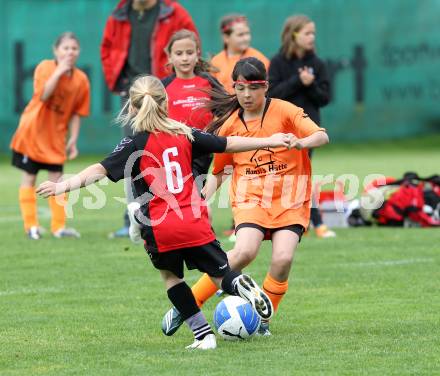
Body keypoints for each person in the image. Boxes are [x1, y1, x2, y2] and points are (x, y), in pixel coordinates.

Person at [36, 75, 294, 350]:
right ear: (166, 103)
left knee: (172, 279)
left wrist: (62, 185)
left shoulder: (134, 143)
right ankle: (237, 283)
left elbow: (98, 171)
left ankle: (203, 336)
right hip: (194, 221)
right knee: (220, 274)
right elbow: (228, 144)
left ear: (133, 108)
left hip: (161, 227)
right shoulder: (185, 133)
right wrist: (272, 140)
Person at [161, 57, 329, 337]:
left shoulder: (285, 111)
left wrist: (301, 142)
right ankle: (187, 305)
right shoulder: (228, 125)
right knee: (243, 252)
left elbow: (321, 136)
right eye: (240, 88)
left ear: (265, 87)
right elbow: (221, 170)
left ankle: (262, 323)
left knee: (283, 259)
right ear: (234, 89)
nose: (246, 95)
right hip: (251, 198)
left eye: (253, 88)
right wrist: (200, 200)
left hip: (290, 200)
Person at [101, 0, 198, 238]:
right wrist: (121, 81)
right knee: (133, 154)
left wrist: (172, 84)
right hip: (134, 93)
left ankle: (178, 212)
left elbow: (192, 44)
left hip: (163, 92)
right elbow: (107, 49)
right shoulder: (119, 13)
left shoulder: (174, 12)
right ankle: (132, 217)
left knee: (171, 150)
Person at [10, 32, 90, 240]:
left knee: (57, 181)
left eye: (74, 48)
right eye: (65, 48)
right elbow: (44, 95)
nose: (70, 52)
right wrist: (60, 72)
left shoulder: (81, 80)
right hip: (33, 133)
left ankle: (58, 227)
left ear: (79, 52)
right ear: (56, 50)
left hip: (55, 138)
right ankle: (31, 227)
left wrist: (73, 139)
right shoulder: (46, 67)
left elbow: (76, 113)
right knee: (29, 177)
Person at [268, 14, 336, 238]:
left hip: (308, 131)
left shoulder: (317, 63)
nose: (311, 37)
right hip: (282, 129)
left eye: (313, 33)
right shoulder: (278, 63)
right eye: (307, 33)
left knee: (302, 176)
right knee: (282, 177)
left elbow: (325, 98)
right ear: (293, 35)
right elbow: (272, 94)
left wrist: (311, 84)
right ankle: (287, 221)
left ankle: (314, 222)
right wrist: (298, 81)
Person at [210, 14, 270, 238]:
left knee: (249, 171)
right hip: (225, 125)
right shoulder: (216, 63)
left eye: (248, 33)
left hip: (251, 124)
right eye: (240, 34)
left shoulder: (258, 59)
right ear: (226, 37)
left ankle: (247, 222)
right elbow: (216, 97)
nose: (246, 38)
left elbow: (265, 93)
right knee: (222, 173)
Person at [162, 29, 225, 184]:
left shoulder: (207, 81)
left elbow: (226, 110)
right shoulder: (163, 86)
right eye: (179, 53)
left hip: (201, 149)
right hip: (173, 148)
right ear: (170, 57)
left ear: (197, 54)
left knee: (195, 191)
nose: (185, 58)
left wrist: (214, 131)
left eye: (189, 53)